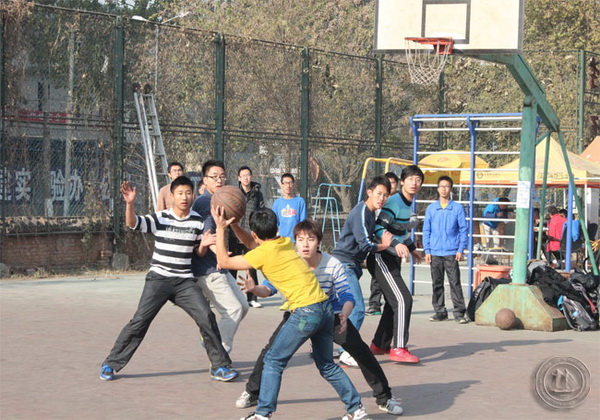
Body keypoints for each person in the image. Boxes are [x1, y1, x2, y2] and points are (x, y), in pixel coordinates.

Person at [211, 208, 371, 420]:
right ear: (277, 229)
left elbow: (223, 261)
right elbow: (252, 243)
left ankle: (262, 414)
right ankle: (356, 410)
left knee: (273, 361)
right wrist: (233, 225)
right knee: (327, 365)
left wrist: (220, 228)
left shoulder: (262, 253)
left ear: (256, 234)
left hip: (306, 311)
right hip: (325, 309)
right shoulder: (285, 242)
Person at [234, 219, 403, 416]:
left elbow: (346, 295)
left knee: (360, 351)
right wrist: (254, 288)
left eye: (311, 239)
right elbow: (268, 289)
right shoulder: (289, 258)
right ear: (294, 242)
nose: (305, 244)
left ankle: (384, 397)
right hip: (298, 314)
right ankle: (252, 392)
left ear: (319, 242)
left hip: (331, 315)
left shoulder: (332, 263)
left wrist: (345, 314)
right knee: (270, 353)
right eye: (300, 239)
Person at [99, 177, 238, 382]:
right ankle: (111, 363)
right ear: (172, 196)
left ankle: (219, 367)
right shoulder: (161, 218)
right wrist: (130, 204)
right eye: (180, 193)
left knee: (206, 316)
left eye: (188, 193)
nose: (185, 197)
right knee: (140, 320)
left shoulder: (197, 221)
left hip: (184, 282)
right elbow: (133, 223)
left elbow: (198, 253)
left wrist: (203, 244)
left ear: (193, 195)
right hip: (159, 279)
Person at [331, 175, 393, 367]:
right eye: (379, 193)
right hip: (344, 264)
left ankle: (324, 346)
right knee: (357, 309)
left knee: (335, 310)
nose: (382, 198)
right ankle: (346, 352)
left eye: (385, 195)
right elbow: (365, 244)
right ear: (369, 192)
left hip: (350, 265)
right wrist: (384, 245)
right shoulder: (361, 211)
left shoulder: (371, 214)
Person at [367, 165, 423, 364]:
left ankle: (379, 344)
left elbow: (401, 230)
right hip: (381, 257)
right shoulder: (394, 201)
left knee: (394, 303)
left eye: (418, 180)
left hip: (392, 258)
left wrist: (412, 248)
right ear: (402, 182)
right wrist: (395, 244)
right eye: (410, 179)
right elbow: (379, 228)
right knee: (403, 299)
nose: (414, 183)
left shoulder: (407, 204)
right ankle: (399, 347)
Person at [191, 160, 249, 353]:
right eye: (214, 177)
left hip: (220, 265)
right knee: (233, 310)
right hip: (207, 269)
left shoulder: (220, 199)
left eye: (222, 176)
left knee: (243, 306)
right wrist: (221, 254)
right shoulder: (205, 202)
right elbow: (207, 236)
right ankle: (220, 354)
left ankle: (210, 338)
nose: (219, 180)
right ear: (204, 180)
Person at [423, 176, 469, 324]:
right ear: (437, 189)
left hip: (451, 252)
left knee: (454, 283)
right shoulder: (431, 209)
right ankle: (440, 312)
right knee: (437, 283)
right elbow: (426, 230)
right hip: (435, 252)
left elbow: (463, 230)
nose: (444, 189)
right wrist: (427, 250)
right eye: (441, 186)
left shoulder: (457, 208)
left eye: (446, 186)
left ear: (451, 189)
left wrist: (460, 249)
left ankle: (459, 313)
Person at [230, 165, 265, 308]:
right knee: (232, 267)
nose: (246, 178)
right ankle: (231, 297)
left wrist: (257, 230)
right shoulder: (234, 193)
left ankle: (252, 298)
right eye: (243, 175)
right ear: (239, 178)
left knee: (251, 266)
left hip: (250, 235)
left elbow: (261, 211)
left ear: (251, 177)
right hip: (235, 233)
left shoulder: (257, 193)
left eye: (248, 175)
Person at [366, 171, 398, 316]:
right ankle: (374, 304)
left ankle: (390, 305)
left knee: (392, 277)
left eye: (392, 183)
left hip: (393, 246)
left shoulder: (398, 202)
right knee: (377, 277)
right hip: (378, 245)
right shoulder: (373, 205)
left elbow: (409, 220)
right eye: (388, 182)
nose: (382, 197)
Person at [271, 173, 306, 241]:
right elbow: (274, 223)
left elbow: (303, 222)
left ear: (294, 184)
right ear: (281, 184)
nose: (288, 186)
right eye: (285, 183)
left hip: (296, 240)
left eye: (290, 183)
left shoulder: (300, 201)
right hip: (281, 240)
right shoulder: (277, 203)